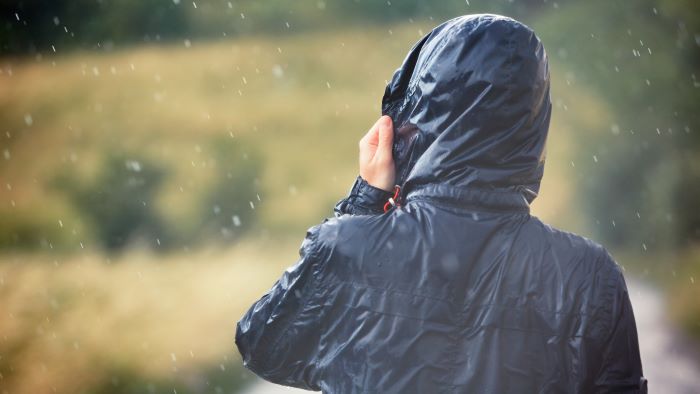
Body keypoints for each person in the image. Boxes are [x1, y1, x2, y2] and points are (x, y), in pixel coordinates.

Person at [235, 14, 647, 393]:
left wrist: (365, 198)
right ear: (534, 123)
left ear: (410, 122)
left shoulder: (349, 248)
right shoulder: (590, 274)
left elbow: (264, 347)